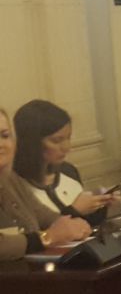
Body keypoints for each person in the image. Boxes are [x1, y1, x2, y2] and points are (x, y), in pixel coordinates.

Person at [0, 107, 91, 261]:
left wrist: (72, 225)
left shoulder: (10, 179)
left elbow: (41, 213)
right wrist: (48, 237)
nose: (1, 144)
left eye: (4, 136)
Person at [11, 99, 118, 225]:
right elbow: (32, 237)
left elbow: (85, 225)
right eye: (57, 141)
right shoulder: (13, 185)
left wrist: (100, 206)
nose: (67, 147)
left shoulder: (68, 171)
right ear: (32, 142)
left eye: (68, 137)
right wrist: (74, 210)